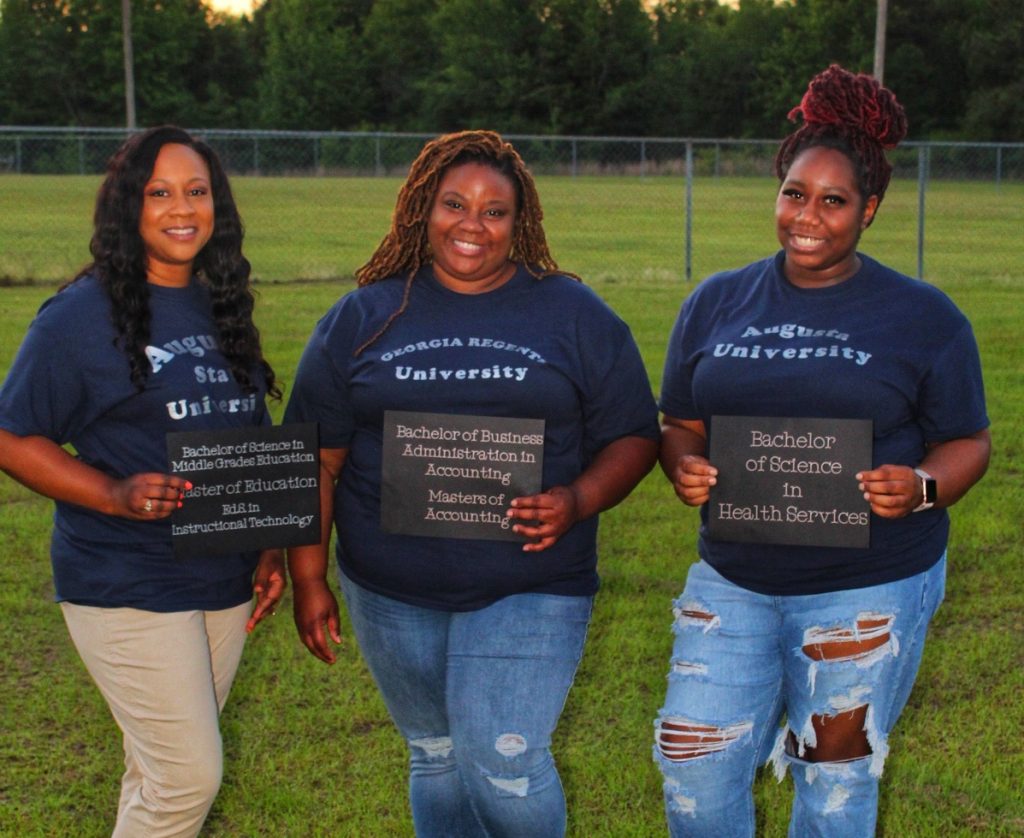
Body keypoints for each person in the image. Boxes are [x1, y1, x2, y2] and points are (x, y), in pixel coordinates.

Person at [285, 129, 659, 837]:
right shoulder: (363, 318)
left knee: (503, 762)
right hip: (390, 588)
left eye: (495, 211)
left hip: (531, 580)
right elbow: (316, 457)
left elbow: (635, 435)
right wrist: (309, 578)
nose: (473, 225)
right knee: (435, 756)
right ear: (423, 210)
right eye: (455, 204)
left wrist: (577, 499)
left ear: (520, 223)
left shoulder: (573, 315)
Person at [653, 65, 990, 836]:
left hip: (868, 582)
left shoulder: (923, 316)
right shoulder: (716, 300)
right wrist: (683, 464)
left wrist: (923, 486)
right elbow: (680, 422)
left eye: (833, 201)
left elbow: (968, 441)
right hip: (734, 576)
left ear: (868, 209)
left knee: (834, 786)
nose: (808, 216)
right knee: (692, 760)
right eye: (794, 194)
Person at [0, 126, 285, 837]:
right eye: (159, 193)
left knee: (159, 772)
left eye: (197, 191)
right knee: (189, 775)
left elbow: (242, 431)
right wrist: (113, 494)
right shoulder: (78, 317)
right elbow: (11, 434)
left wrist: (270, 543)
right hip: (123, 577)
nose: (181, 208)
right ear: (129, 207)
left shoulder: (220, 301)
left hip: (219, 572)